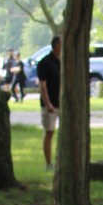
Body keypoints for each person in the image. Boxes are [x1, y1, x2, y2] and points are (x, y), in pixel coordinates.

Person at [36, 34, 61, 169]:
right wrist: (48, 103)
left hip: (62, 103)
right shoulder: (45, 63)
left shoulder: (64, 62)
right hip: (50, 104)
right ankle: (48, 163)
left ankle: (61, 160)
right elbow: (42, 85)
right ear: (56, 45)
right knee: (49, 131)